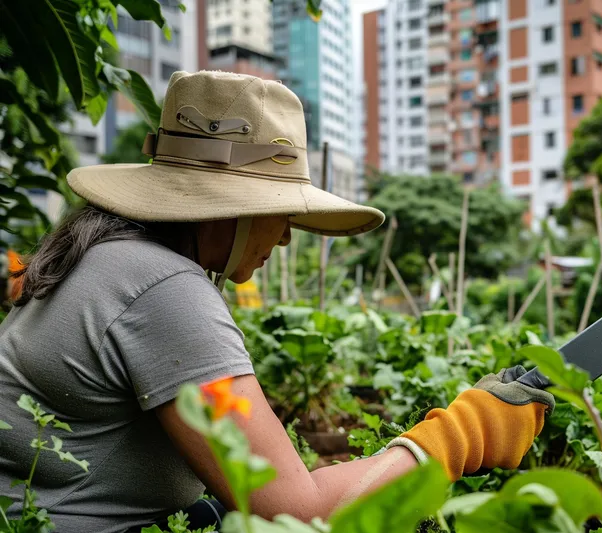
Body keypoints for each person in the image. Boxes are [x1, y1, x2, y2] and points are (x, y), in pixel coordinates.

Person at [0, 71, 555, 533]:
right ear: (233, 206)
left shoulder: (105, 253)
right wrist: (461, 435)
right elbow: (297, 515)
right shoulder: (160, 286)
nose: (287, 237)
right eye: (282, 213)